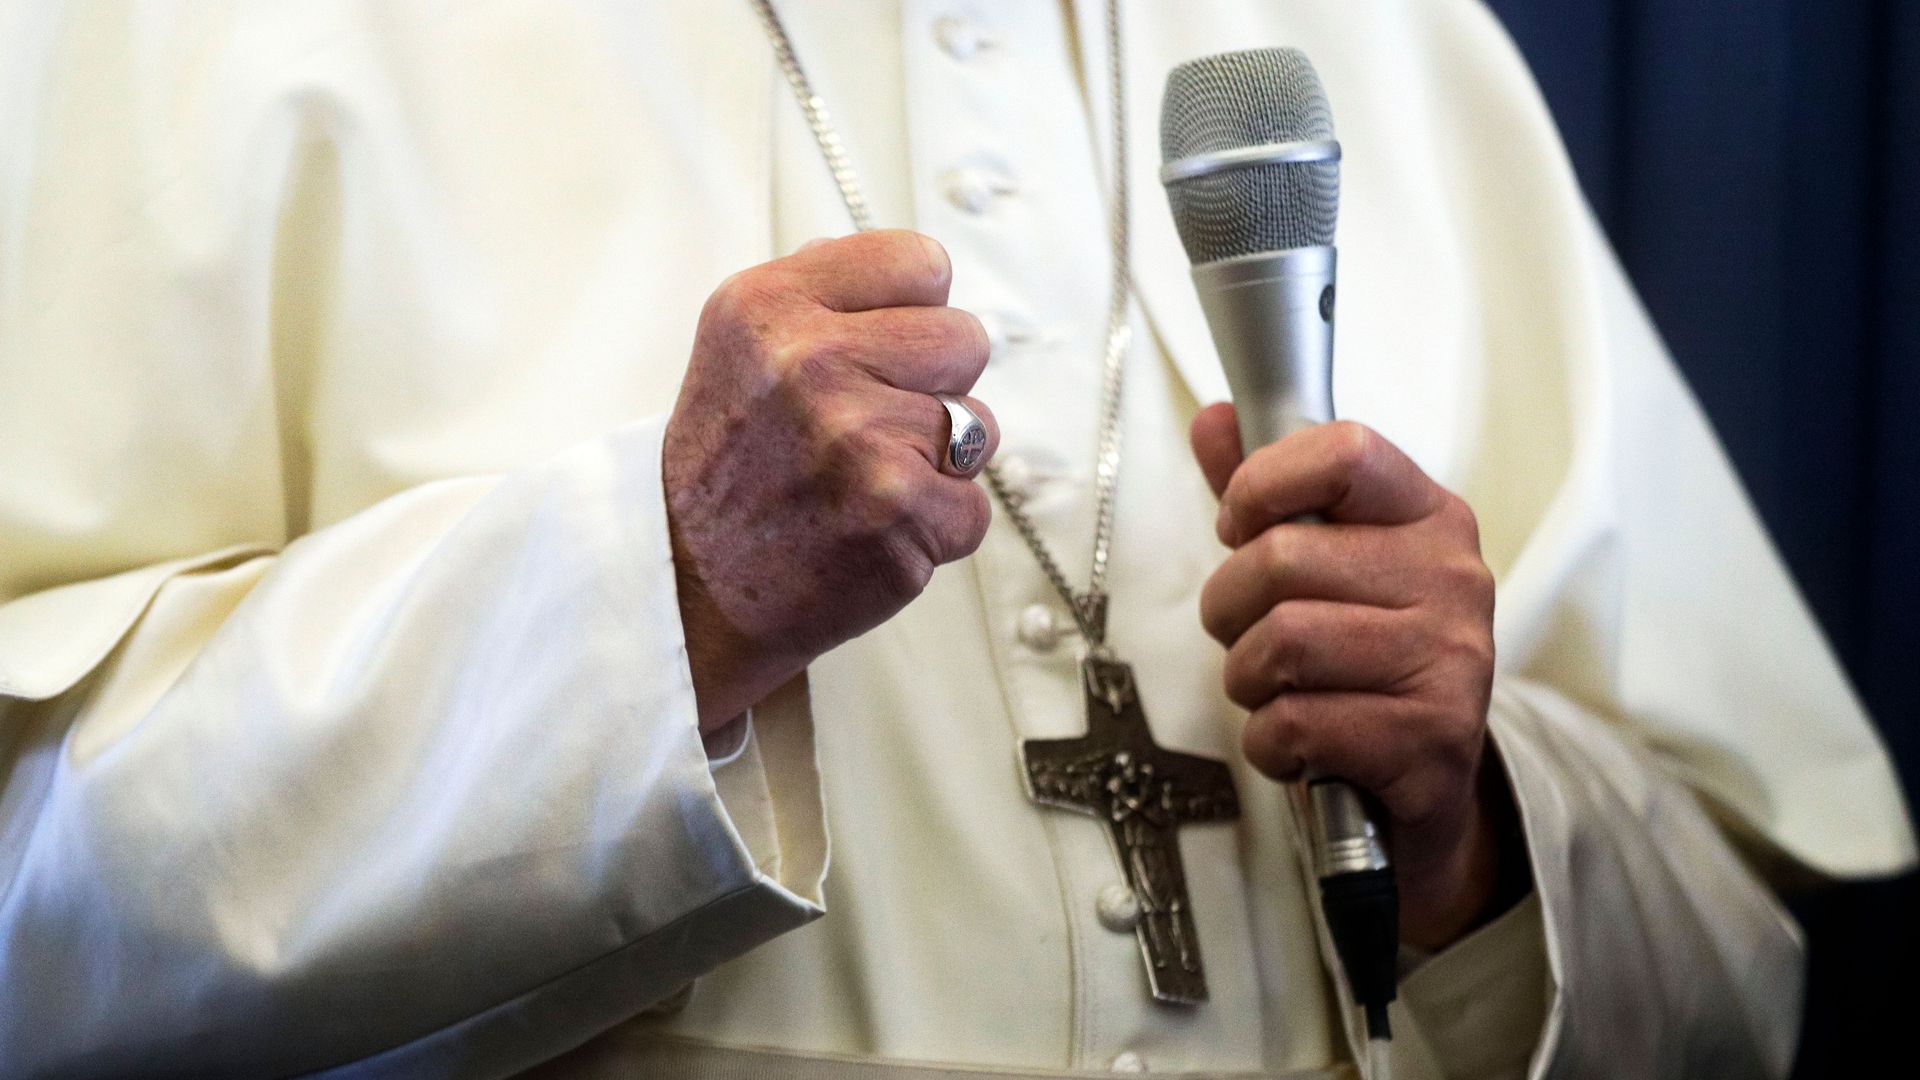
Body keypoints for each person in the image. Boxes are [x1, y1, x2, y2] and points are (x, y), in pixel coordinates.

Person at [0, 2, 1910, 1078]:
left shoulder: (1378, 37)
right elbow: (32, 925)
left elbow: (1745, 981)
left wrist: (1473, 830)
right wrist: (650, 598)